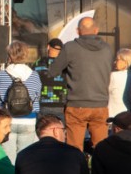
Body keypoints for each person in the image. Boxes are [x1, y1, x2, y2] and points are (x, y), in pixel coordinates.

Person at [47, 17, 114, 151]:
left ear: (78, 31)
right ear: (96, 30)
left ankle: (78, 165)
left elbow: (53, 71)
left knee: (74, 149)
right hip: (100, 104)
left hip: (76, 104)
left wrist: (68, 70)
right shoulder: (107, 49)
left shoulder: (70, 48)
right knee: (102, 148)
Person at [0, 41, 42, 160]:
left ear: (9, 56)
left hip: (7, 120)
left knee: (8, 158)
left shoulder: (1, 75)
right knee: (25, 158)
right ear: (25, 55)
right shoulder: (34, 75)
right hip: (28, 119)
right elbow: (37, 97)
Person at [33, 39, 67, 120]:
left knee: (43, 127)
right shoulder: (65, 64)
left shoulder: (38, 63)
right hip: (61, 104)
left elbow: (33, 83)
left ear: (48, 47)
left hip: (43, 103)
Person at [108, 48, 131, 118]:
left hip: (114, 115)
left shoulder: (114, 76)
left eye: (117, 60)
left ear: (126, 61)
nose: (115, 62)